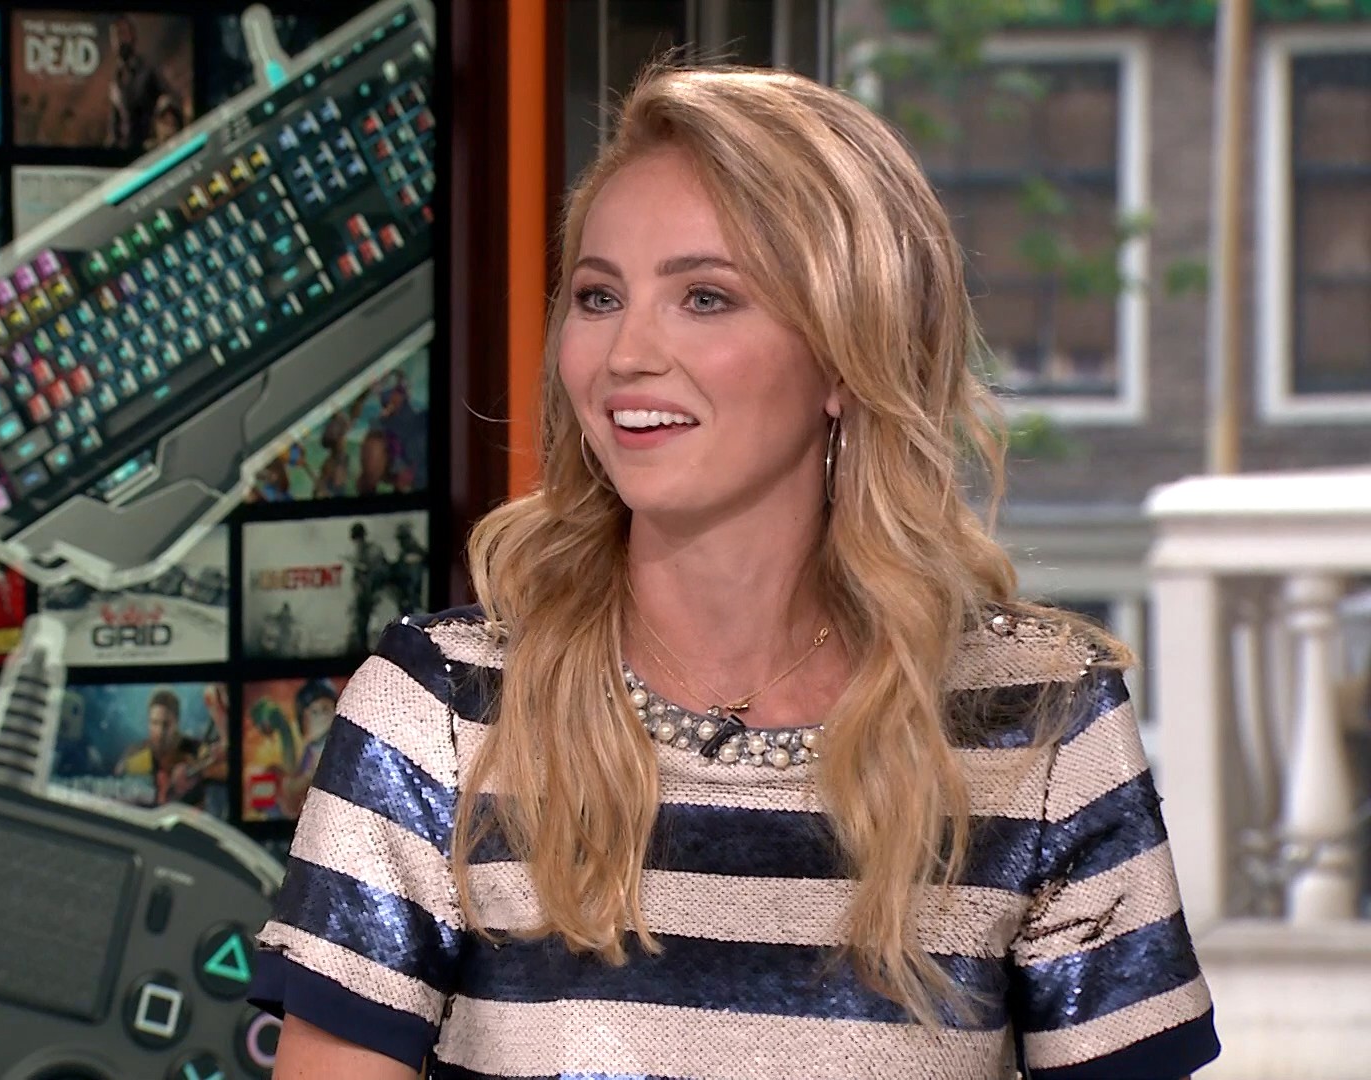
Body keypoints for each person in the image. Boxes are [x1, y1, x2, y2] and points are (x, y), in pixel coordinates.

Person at [246, 64, 1220, 1080]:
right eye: (598, 296)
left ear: (844, 356)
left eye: (704, 298)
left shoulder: (1041, 726)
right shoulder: (439, 713)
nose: (625, 354)